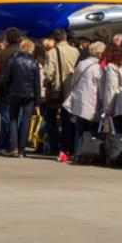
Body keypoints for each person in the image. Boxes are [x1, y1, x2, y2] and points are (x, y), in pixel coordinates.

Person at [0, 39, 41, 157]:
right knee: (26, 121)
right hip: (29, 95)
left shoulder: (13, 60)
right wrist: (37, 101)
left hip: (14, 93)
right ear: (31, 49)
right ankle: (22, 149)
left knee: (13, 119)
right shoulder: (34, 63)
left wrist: (7, 91)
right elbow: (37, 84)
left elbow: (7, 78)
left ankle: (13, 147)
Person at [64, 41, 105, 156]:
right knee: (92, 130)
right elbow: (101, 88)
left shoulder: (81, 64)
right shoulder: (98, 69)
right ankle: (89, 154)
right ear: (100, 54)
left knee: (79, 130)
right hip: (92, 102)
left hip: (79, 100)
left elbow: (73, 81)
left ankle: (77, 153)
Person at [43, 29, 79, 158]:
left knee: (51, 119)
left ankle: (54, 146)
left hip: (57, 90)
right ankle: (67, 147)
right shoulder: (75, 51)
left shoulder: (51, 53)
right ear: (65, 38)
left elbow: (49, 73)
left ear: (55, 39)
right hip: (71, 88)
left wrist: (45, 83)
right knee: (68, 119)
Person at [0, 28, 25, 154]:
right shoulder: (23, 53)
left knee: (5, 117)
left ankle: (3, 145)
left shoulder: (2, 54)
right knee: (18, 117)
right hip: (21, 90)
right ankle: (15, 144)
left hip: (6, 90)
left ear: (7, 39)